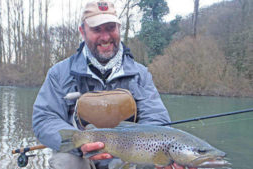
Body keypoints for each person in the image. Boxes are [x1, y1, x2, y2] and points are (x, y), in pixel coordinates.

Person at [32, 0, 196, 169]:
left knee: (153, 162)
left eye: (110, 28)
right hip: (80, 157)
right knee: (64, 161)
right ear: (82, 31)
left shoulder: (140, 74)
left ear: (119, 28)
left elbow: (156, 119)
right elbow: (44, 118)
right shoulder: (59, 73)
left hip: (127, 156)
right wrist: (80, 143)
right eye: (97, 29)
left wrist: (160, 152)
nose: (105, 37)